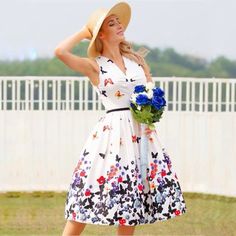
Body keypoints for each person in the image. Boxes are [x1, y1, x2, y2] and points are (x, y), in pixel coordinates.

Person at [54, 1, 187, 236]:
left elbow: (150, 90)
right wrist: (86, 31)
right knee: (88, 191)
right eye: (111, 23)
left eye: (119, 22)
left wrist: (151, 114)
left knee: (131, 197)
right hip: (111, 135)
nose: (119, 26)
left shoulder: (137, 62)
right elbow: (60, 52)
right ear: (101, 34)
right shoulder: (95, 66)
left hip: (140, 133)